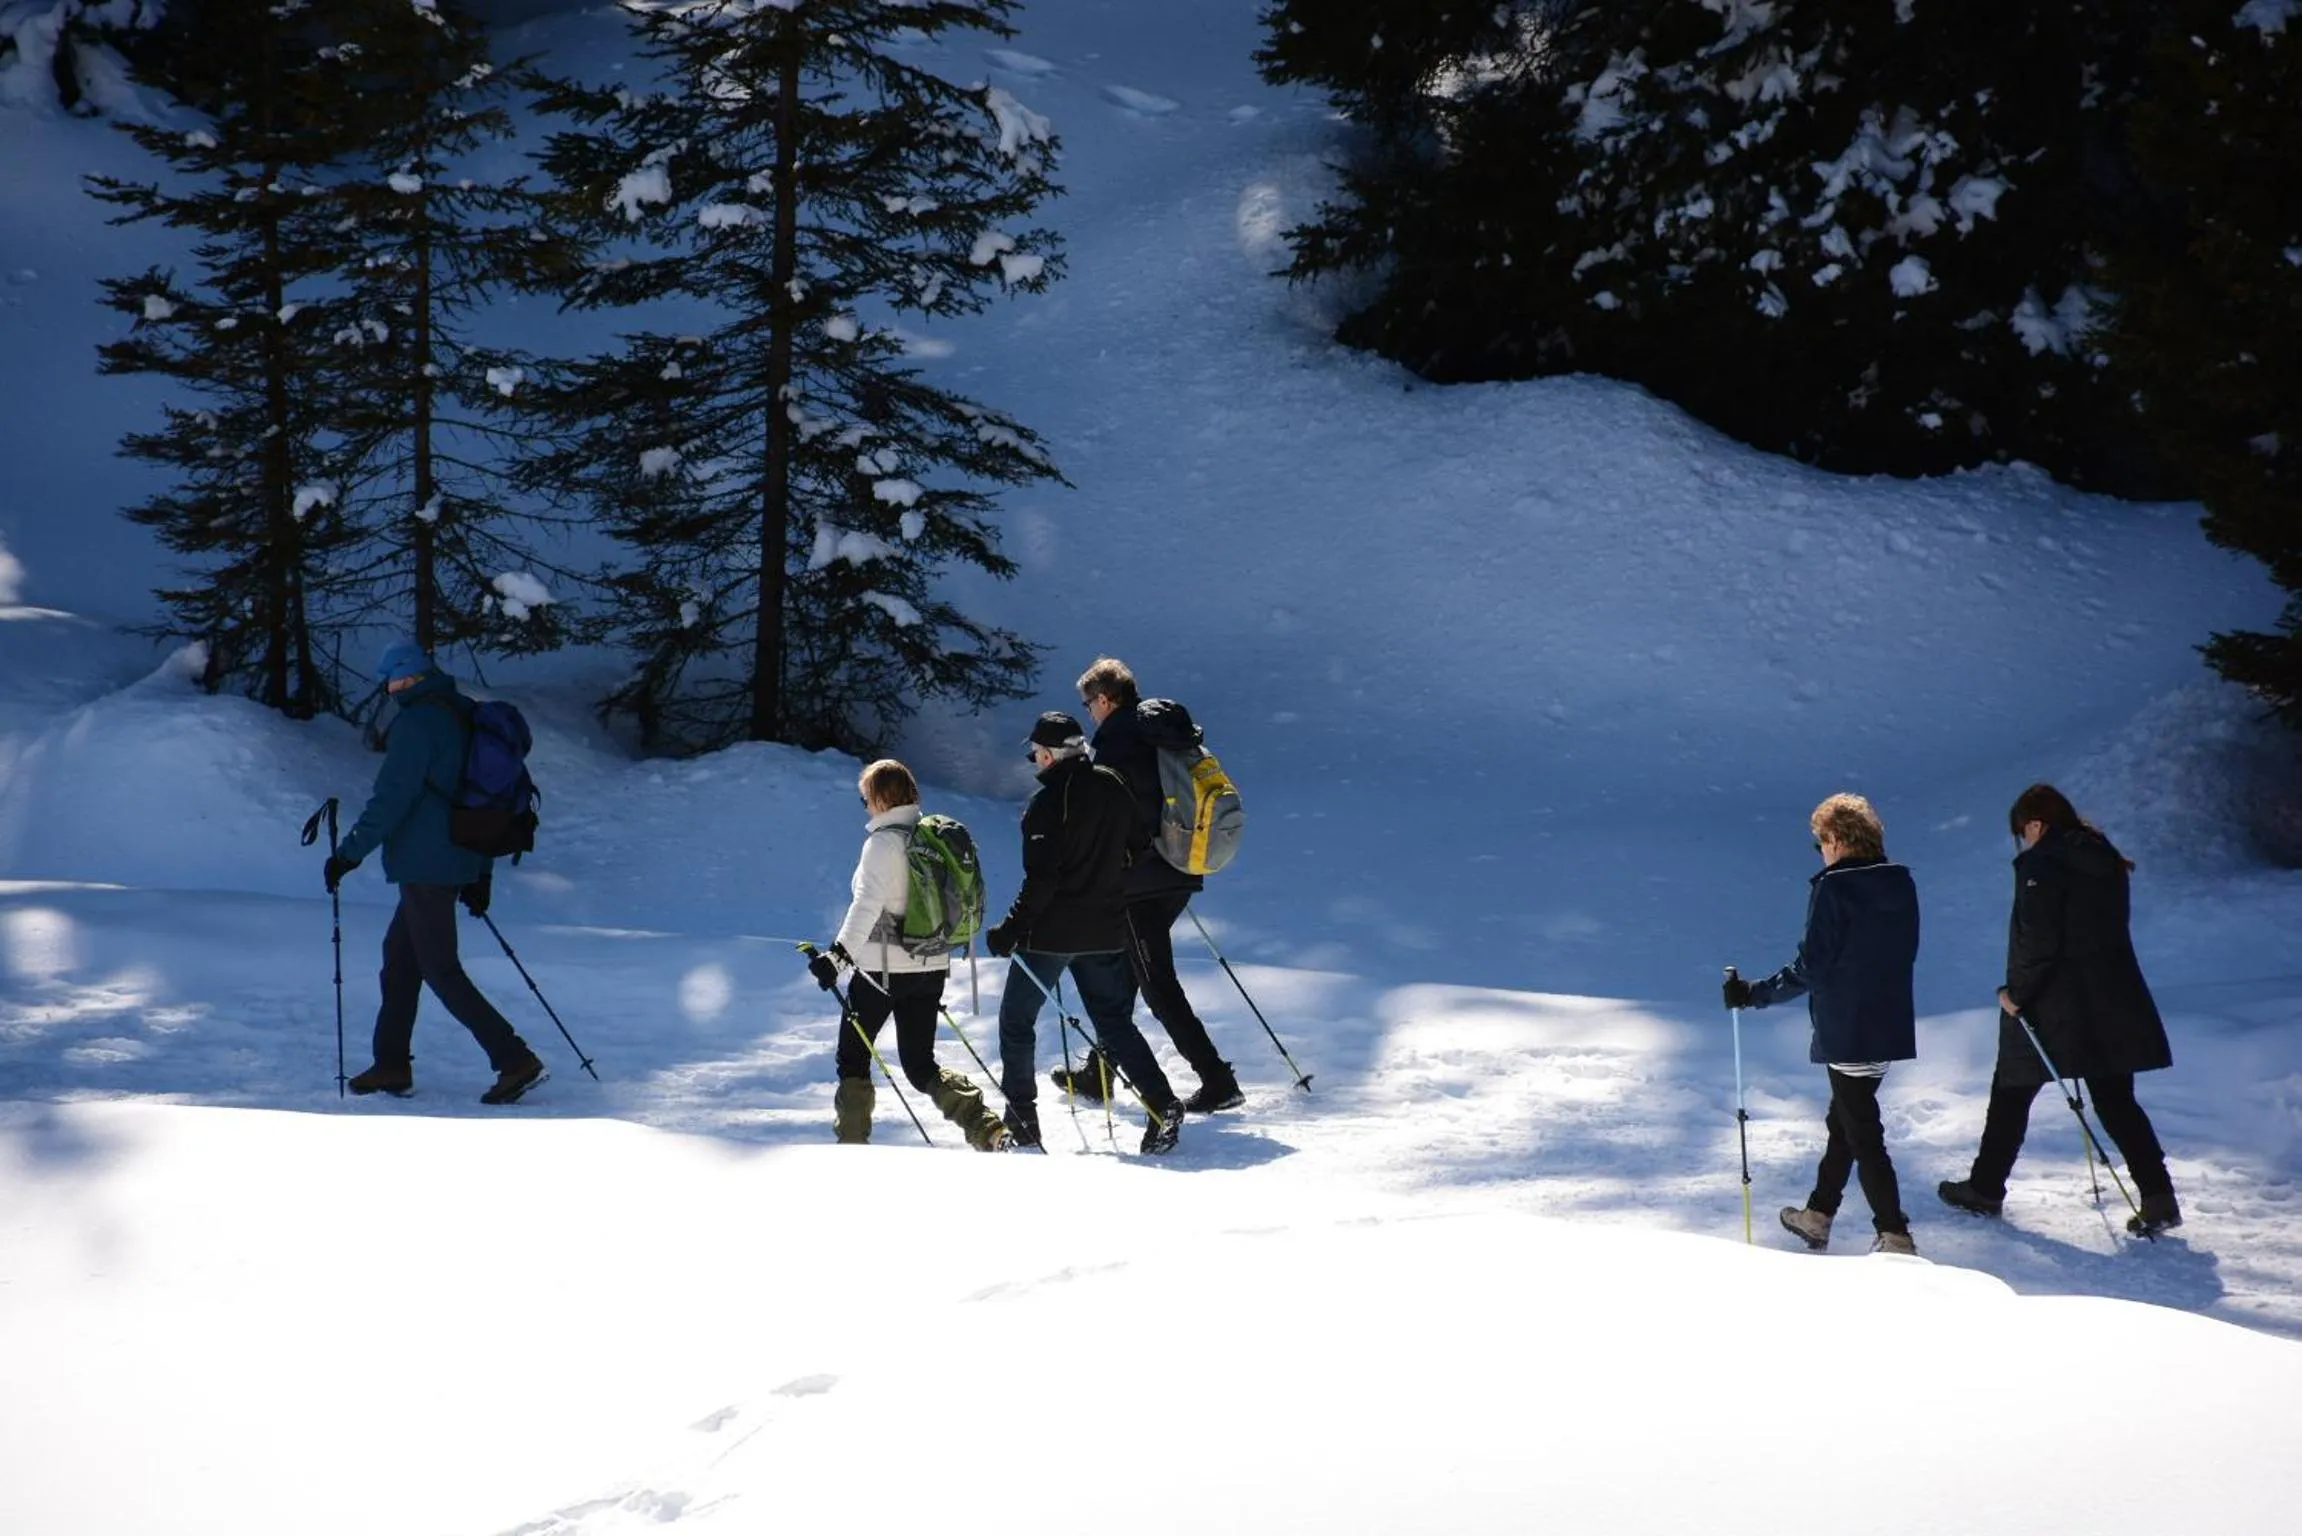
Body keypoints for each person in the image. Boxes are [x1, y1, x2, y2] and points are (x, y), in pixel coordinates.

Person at [1938, 784, 2180, 1236]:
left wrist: (2017, 994)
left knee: (2010, 1090)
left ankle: (1985, 1189)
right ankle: (2159, 1196)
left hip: (2055, 1003)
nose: (2022, 843)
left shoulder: (2042, 863)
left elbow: (2040, 939)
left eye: (2021, 834)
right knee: (2115, 1100)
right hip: (2111, 998)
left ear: (2035, 824)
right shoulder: (2103, 857)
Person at [329, 640, 546, 1106]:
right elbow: (481, 794)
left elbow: (392, 798)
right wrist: (479, 872)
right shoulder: (464, 712)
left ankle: (513, 1059)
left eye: (391, 682)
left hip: (426, 864)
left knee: (441, 968)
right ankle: (391, 1064)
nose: (389, 690)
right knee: (400, 962)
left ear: (405, 679)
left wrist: (348, 854)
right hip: (458, 856)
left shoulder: (417, 724)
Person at [1724, 793, 1921, 1255]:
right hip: (1888, 1022)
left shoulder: (1835, 887)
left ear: (1836, 840)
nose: (1822, 852)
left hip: (1849, 1027)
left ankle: (1894, 1234)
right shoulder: (1900, 884)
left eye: (1821, 843)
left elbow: (1812, 966)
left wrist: (1756, 994)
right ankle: (1819, 1214)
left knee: (1862, 1132)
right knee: (1846, 1123)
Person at [984, 711, 1186, 1155]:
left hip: (1051, 936)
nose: (1035, 761)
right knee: (1113, 1023)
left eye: (1037, 753)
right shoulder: (1113, 784)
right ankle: (1161, 1101)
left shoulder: (1046, 805)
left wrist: (1009, 931)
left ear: (1053, 755)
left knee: (1016, 1021)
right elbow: (1138, 847)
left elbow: (1042, 881)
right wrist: (1104, 880)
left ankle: (1022, 1118)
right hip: (1107, 928)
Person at [1065, 657, 1244, 1114]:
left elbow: (1114, 817)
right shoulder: (1163, 732)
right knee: (1128, 972)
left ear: (1105, 699)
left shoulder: (1118, 742)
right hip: (1179, 869)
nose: (1089, 713)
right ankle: (1097, 1071)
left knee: (1157, 985)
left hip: (1140, 881)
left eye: (1089, 704)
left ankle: (1217, 1080)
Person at [810, 758, 1008, 1150]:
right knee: (920, 1065)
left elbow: (865, 906)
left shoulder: (882, 844)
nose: (865, 805)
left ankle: (851, 1147)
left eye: (866, 797)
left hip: (879, 973)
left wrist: (837, 957)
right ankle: (985, 1126)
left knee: (853, 1058)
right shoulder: (930, 837)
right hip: (932, 966)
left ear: (882, 799)